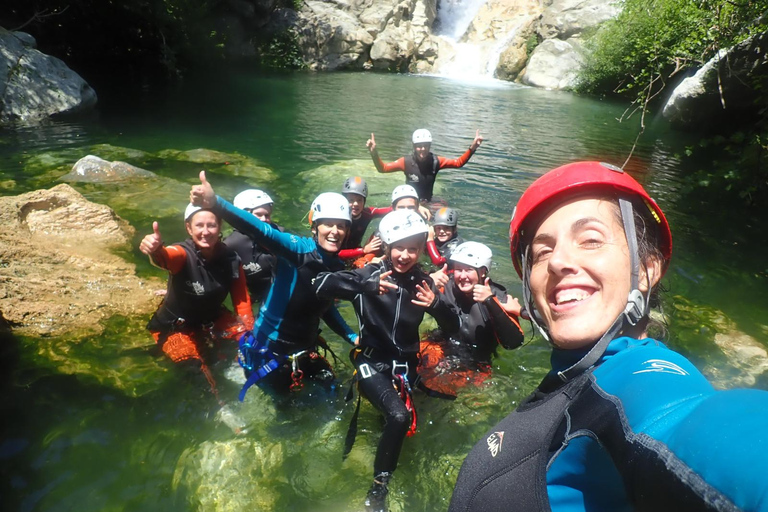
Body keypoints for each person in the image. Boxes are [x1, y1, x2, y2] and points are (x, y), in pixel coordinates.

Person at [449, 161, 768, 512]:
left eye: (590, 240)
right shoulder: (572, 384)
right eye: (542, 252)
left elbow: (693, 423)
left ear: (647, 269)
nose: (558, 262)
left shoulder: (638, 377)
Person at [312, 210, 459, 512]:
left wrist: (436, 305)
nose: (405, 255)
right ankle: (379, 487)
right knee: (399, 417)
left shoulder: (423, 283)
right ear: (388, 244)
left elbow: (455, 326)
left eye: (413, 248)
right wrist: (363, 286)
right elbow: (320, 283)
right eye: (399, 247)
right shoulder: (369, 273)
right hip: (370, 362)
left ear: (421, 250)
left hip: (405, 367)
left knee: (447, 405)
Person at [189, 172, 359, 399]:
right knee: (285, 412)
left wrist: (352, 337)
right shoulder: (295, 249)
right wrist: (216, 203)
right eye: (328, 224)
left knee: (334, 394)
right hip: (270, 351)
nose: (335, 231)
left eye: (341, 226)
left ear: (347, 231)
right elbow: (262, 231)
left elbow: (325, 306)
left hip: (304, 350)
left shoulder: (335, 266)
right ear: (315, 226)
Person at [140, 203, 254, 399]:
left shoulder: (231, 258)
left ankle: (248, 385)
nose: (205, 232)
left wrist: (249, 337)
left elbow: (242, 303)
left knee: (249, 349)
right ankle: (221, 409)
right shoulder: (183, 254)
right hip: (175, 326)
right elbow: (166, 258)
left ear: (220, 227)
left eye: (211, 225)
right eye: (199, 225)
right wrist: (155, 250)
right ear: (188, 228)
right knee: (195, 370)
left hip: (212, 319)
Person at [420, 242, 524, 394]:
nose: (462, 276)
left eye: (468, 270)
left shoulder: (498, 296)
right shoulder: (446, 284)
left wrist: (489, 301)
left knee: (443, 392)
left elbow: (514, 342)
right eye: (458, 269)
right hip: (443, 343)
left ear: (482, 272)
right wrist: (429, 279)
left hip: (476, 360)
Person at [366, 129, 483, 202]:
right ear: (413, 146)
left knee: (445, 211)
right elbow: (383, 169)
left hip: (428, 201)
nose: (423, 149)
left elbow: (458, 163)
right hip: (409, 201)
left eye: (426, 145)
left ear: (430, 146)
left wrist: (472, 148)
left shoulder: (436, 161)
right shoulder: (405, 162)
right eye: (419, 146)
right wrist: (374, 153)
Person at [223, 189, 281, 304]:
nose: (264, 220)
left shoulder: (278, 234)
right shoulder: (231, 246)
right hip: (258, 299)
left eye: (267, 215)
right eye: (259, 215)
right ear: (243, 215)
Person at [338, 176, 389, 262]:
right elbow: (335, 252)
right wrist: (363, 250)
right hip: (339, 257)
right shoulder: (337, 220)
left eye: (359, 200)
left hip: (358, 252)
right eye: (350, 200)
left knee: (380, 233)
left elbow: (391, 209)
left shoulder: (367, 213)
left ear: (364, 202)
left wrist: (414, 206)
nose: (355, 204)